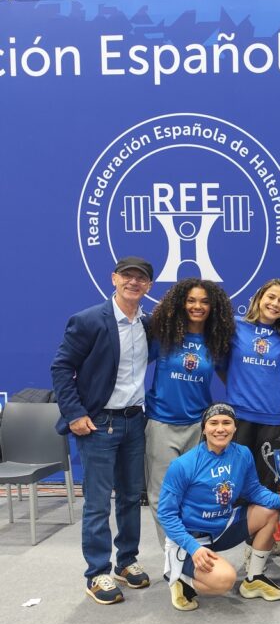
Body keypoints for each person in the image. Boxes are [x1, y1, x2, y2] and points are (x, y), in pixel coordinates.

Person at [51, 256, 154, 605]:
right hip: (99, 424)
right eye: (127, 276)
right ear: (114, 278)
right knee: (97, 503)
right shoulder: (89, 320)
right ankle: (97, 572)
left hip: (134, 421)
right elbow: (62, 367)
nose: (134, 282)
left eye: (141, 278)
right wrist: (75, 413)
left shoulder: (148, 325)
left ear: (149, 286)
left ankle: (126, 561)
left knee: (129, 498)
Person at [157, 403, 280, 611]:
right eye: (214, 423)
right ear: (204, 428)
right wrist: (193, 548)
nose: (220, 428)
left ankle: (254, 578)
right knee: (225, 580)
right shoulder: (183, 465)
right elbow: (166, 515)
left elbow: (253, 491)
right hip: (190, 537)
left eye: (227, 423)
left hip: (222, 526)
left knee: (270, 512)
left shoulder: (243, 454)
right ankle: (180, 580)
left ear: (235, 427)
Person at [144, 278, 235, 546]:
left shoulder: (216, 341)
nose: (198, 306)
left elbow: (236, 379)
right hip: (162, 424)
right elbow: (129, 362)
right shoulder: (164, 336)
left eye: (205, 301)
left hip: (198, 427)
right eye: (192, 300)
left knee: (193, 494)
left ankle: (193, 549)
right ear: (181, 303)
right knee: (161, 496)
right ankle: (174, 556)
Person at [223, 279, 280, 490]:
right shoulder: (235, 326)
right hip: (239, 417)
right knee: (233, 484)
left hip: (272, 420)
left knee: (266, 487)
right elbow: (221, 367)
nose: (275, 304)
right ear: (259, 298)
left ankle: (263, 525)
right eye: (271, 297)